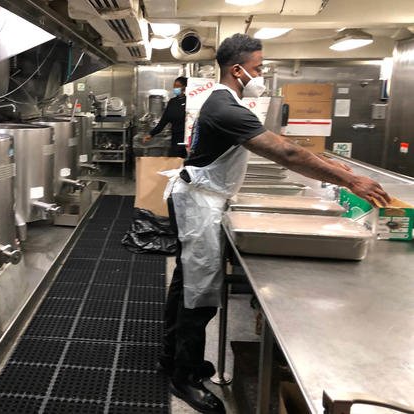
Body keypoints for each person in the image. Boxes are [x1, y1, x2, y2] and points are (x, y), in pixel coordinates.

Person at [161, 33, 390, 414]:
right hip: (199, 205)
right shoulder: (224, 107)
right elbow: (284, 151)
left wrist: (332, 167)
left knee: (188, 285)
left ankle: (175, 358)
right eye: (257, 68)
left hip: (201, 199)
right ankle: (185, 378)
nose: (260, 73)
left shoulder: (226, 101)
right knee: (199, 295)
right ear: (237, 70)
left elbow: (276, 142)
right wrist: (349, 180)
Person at [143, 76, 188, 158]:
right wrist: (151, 134)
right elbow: (164, 121)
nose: (175, 88)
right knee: (175, 162)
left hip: (189, 139)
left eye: (177, 86)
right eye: (174, 86)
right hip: (176, 139)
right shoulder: (172, 102)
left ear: (185, 87)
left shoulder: (190, 101)